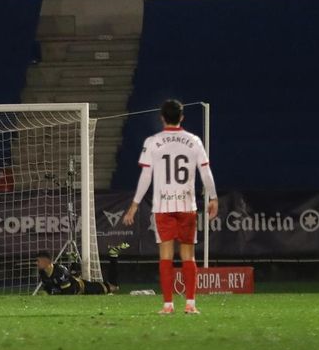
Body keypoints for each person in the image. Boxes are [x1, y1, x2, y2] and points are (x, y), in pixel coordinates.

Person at [122, 100, 218, 315]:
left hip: (163, 206)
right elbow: (205, 172)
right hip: (186, 204)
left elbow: (146, 176)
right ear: (182, 117)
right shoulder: (193, 141)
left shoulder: (153, 142)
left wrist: (135, 205)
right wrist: (213, 197)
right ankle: (191, 304)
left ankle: (167, 305)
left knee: (165, 255)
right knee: (188, 256)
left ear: (162, 117)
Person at [35, 251, 109, 295]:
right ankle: (74, 261)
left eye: (38, 261)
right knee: (72, 276)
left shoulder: (60, 272)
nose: (36, 263)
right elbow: (48, 288)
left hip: (81, 287)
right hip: (70, 281)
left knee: (108, 288)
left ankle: (113, 256)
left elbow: (68, 293)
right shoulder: (42, 272)